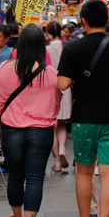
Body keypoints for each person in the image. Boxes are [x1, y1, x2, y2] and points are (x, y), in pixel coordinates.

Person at [58, 0, 109, 217]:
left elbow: (62, 84)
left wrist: (77, 77)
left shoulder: (72, 47)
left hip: (83, 118)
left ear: (83, 21)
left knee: (84, 173)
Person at [0, 25, 62, 217]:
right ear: (42, 46)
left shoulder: (5, 68)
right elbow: (56, 102)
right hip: (41, 131)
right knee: (35, 179)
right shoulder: (50, 73)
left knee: (15, 176)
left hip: (11, 130)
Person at [45, 20, 71, 173]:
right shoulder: (66, 47)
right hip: (65, 87)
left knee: (52, 125)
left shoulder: (46, 48)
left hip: (50, 87)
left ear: (48, 33)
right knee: (62, 123)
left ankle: (57, 161)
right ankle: (62, 148)